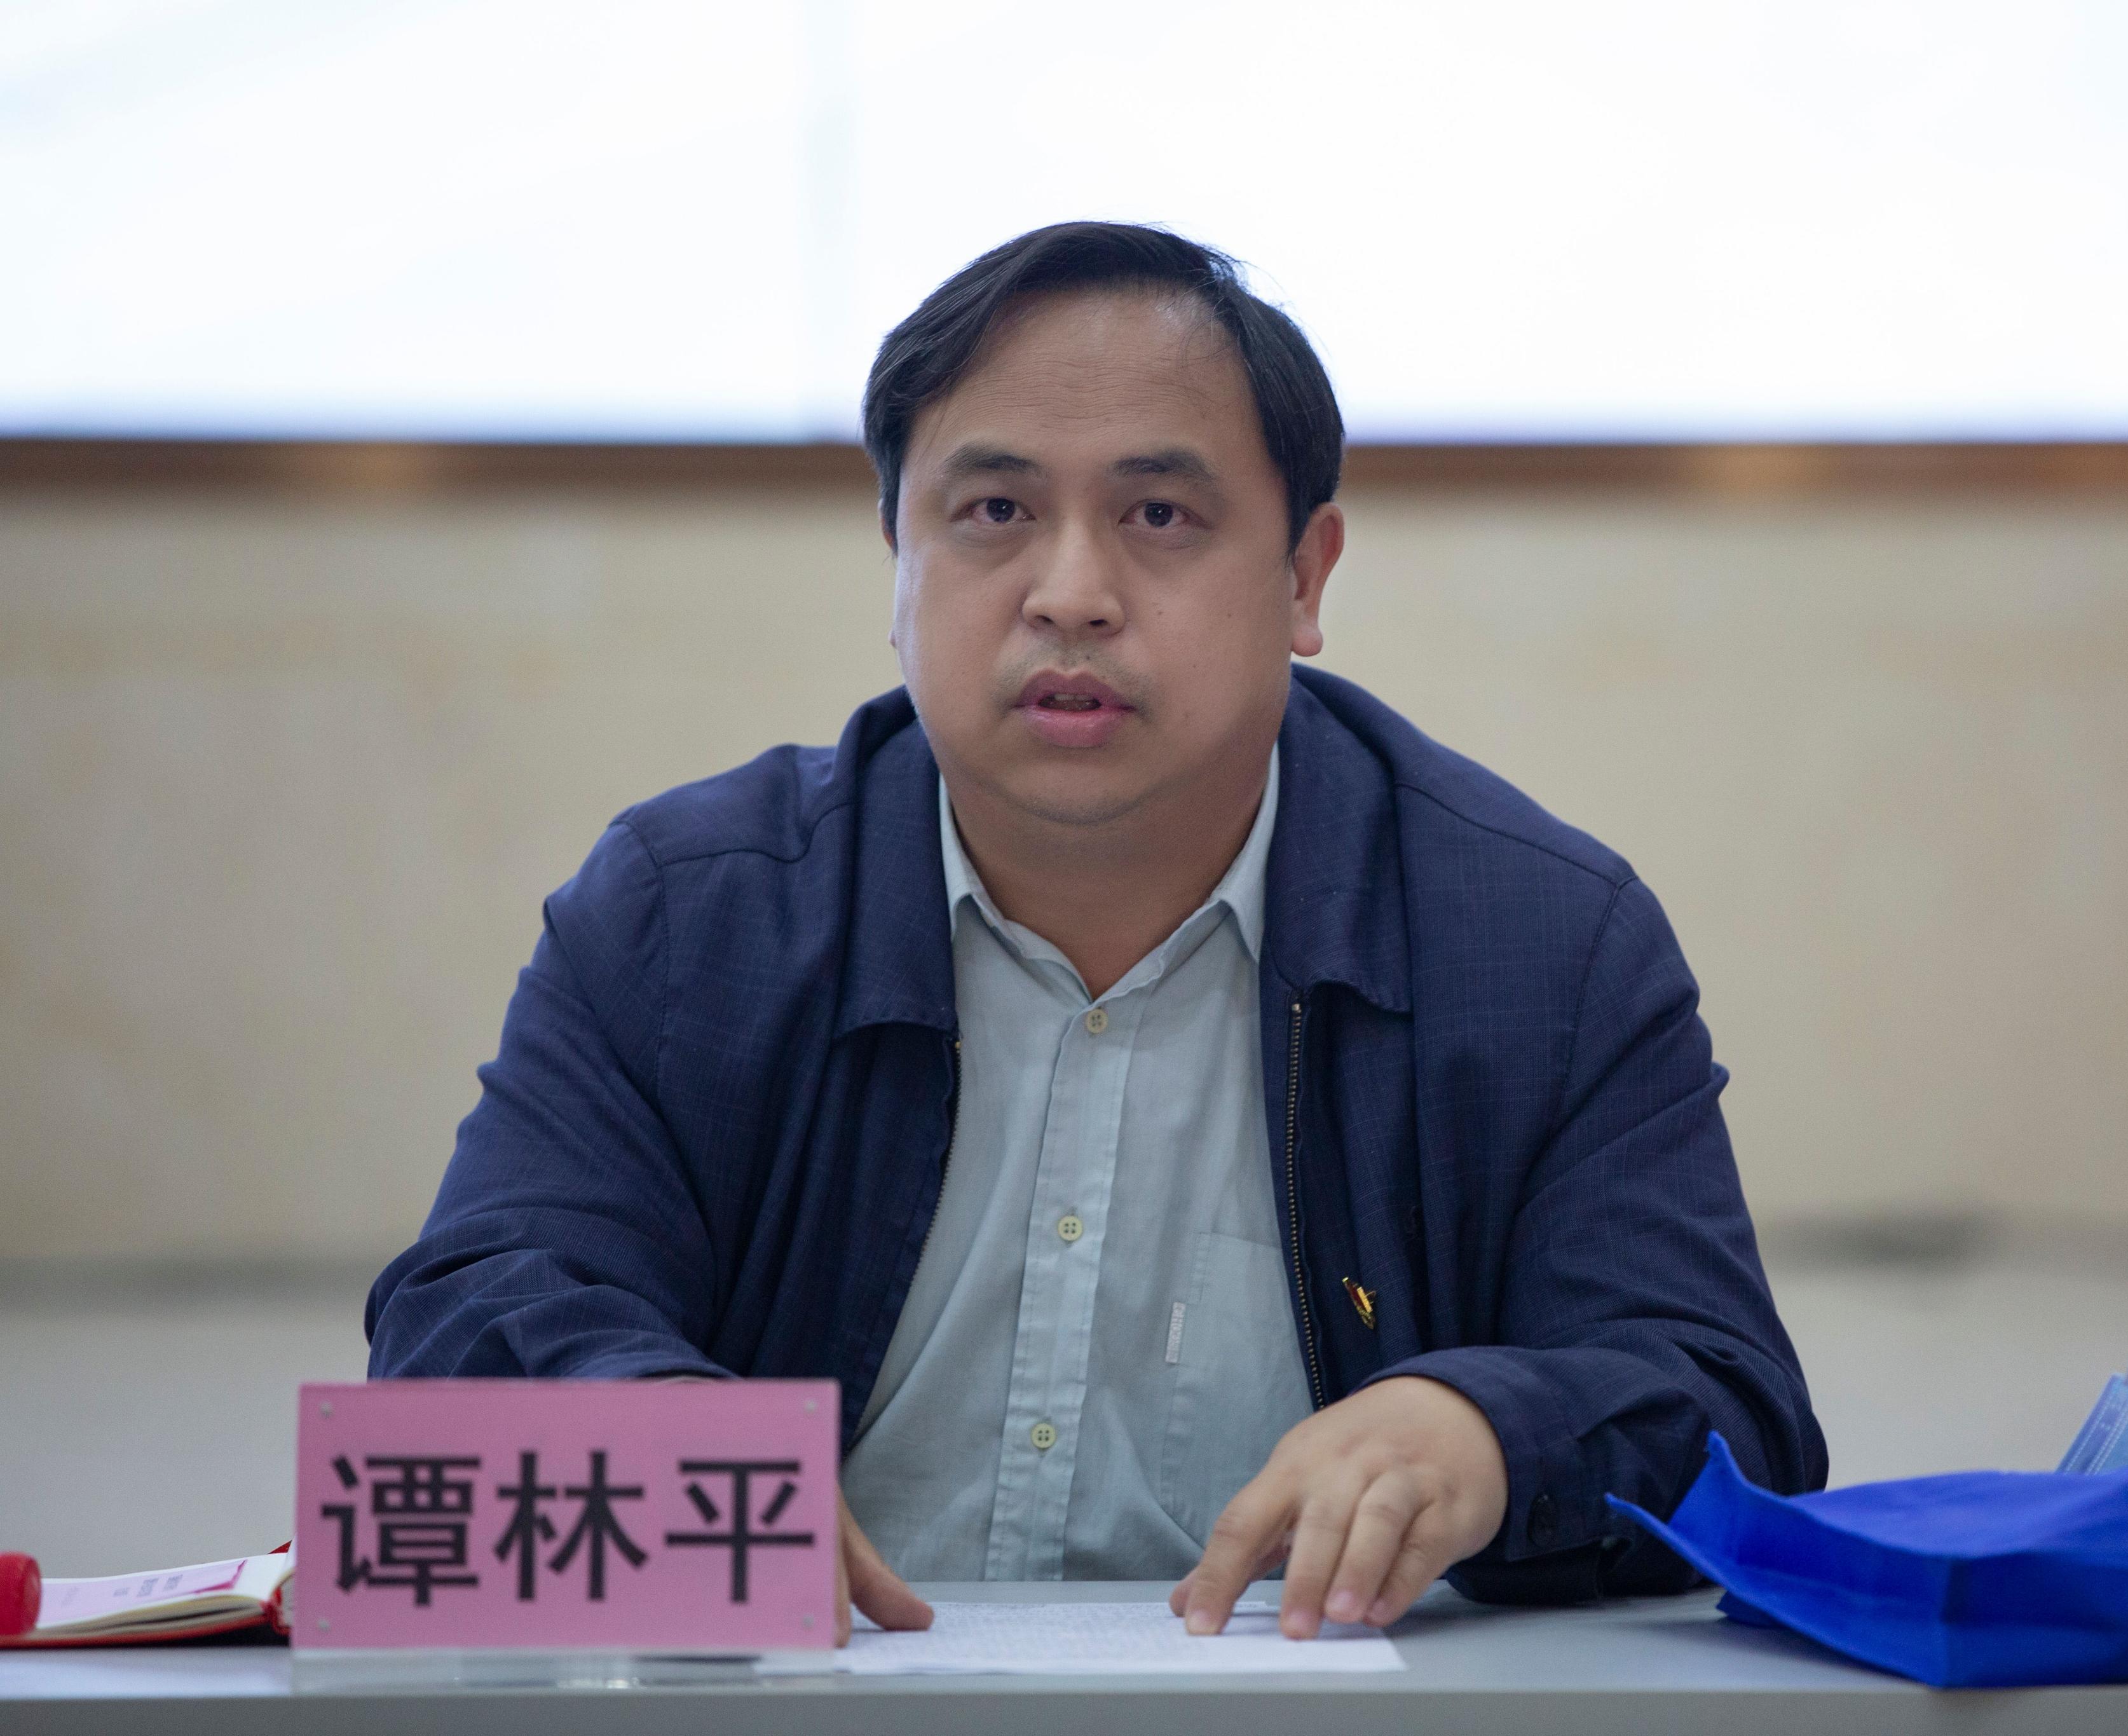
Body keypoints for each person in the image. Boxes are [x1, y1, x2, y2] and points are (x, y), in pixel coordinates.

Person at [367, 221, 1825, 1641]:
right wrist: (653, 1435)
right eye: (993, 513)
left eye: (1158, 516)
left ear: (1303, 575)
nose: (1069, 595)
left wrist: (1485, 1431)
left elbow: (1723, 1402)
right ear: (897, 557)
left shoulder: (1542, 944)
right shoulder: (689, 916)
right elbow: (460, 1325)